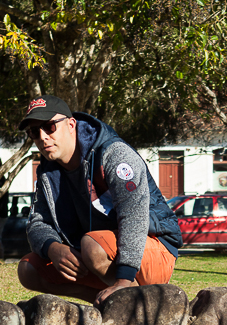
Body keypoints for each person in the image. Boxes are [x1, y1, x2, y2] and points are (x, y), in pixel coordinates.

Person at [17, 95, 182, 305]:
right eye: (34, 131)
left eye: (49, 127)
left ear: (70, 124)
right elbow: (37, 222)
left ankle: (136, 305)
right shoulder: (47, 172)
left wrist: (123, 280)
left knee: (92, 246)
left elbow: (134, 214)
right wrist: (53, 248)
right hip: (97, 254)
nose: (42, 137)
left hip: (151, 246)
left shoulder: (114, 155)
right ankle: (104, 304)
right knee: (29, 269)